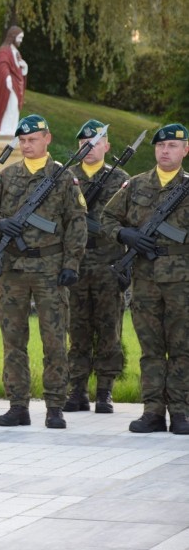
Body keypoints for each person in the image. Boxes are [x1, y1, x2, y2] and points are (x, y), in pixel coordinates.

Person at [0, 114, 87, 429]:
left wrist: (71, 264)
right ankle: (18, 406)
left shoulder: (63, 178)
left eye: (32, 140)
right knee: (13, 341)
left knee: (53, 341)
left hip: (50, 269)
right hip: (12, 271)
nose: (27, 145)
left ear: (47, 139)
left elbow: (77, 222)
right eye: (22, 141)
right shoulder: (8, 176)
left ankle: (54, 407)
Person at [102, 123, 189, 435]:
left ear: (185, 150)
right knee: (151, 348)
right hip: (146, 278)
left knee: (182, 347)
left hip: (182, 280)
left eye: (173, 146)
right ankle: (153, 411)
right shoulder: (136, 185)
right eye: (161, 146)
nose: (165, 151)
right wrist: (127, 234)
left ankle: (181, 412)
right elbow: (107, 218)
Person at [64, 120, 129, 414]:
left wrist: (127, 264)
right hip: (75, 264)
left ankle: (105, 391)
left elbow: (131, 224)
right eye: (83, 143)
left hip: (107, 263)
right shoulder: (65, 178)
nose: (88, 148)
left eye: (95, 142)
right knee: (75, 329)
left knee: (108, 329)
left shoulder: (121, 180)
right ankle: (76, 390)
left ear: (107, 146)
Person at [0, 26, 28, 137]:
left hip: (17, 85)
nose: (21, 40)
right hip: (9, 85)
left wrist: (24, 67)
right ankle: (4, 129)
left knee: (15, 107)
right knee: (8, 105)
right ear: (13, 37)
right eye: (19, 38)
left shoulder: (16, 52)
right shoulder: (4, 51)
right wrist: (7, 77)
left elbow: (18, 68)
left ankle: (12, 129)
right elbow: (2, 64)